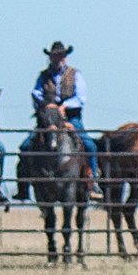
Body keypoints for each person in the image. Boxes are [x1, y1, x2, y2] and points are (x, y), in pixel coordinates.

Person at [31, 42, 97, 180]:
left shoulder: (75, 74)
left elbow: (80, 98)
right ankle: (24, 185)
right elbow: (35, 93)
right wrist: (47, 105)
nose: (58, 59)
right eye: (55, 56)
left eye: (61, 55)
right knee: (27, 146)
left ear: (65, 57)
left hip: (71, 117)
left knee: (89, 146)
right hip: (48, 118)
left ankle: (92, 181)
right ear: (50, 58)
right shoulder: (44, 76)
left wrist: (64, 106)